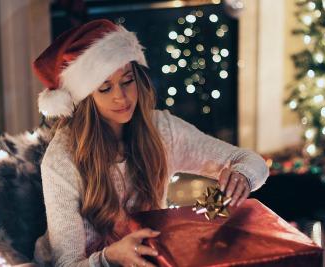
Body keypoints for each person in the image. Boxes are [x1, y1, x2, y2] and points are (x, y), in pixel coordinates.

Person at [32, 19, 269, 267]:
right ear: (85, 98)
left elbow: (253, 162)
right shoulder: (62, 158)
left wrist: (243, 176)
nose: (121, 97)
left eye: (127, 81)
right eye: (105, 88)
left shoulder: (161, 129)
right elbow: (66, 264)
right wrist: (109, 257)